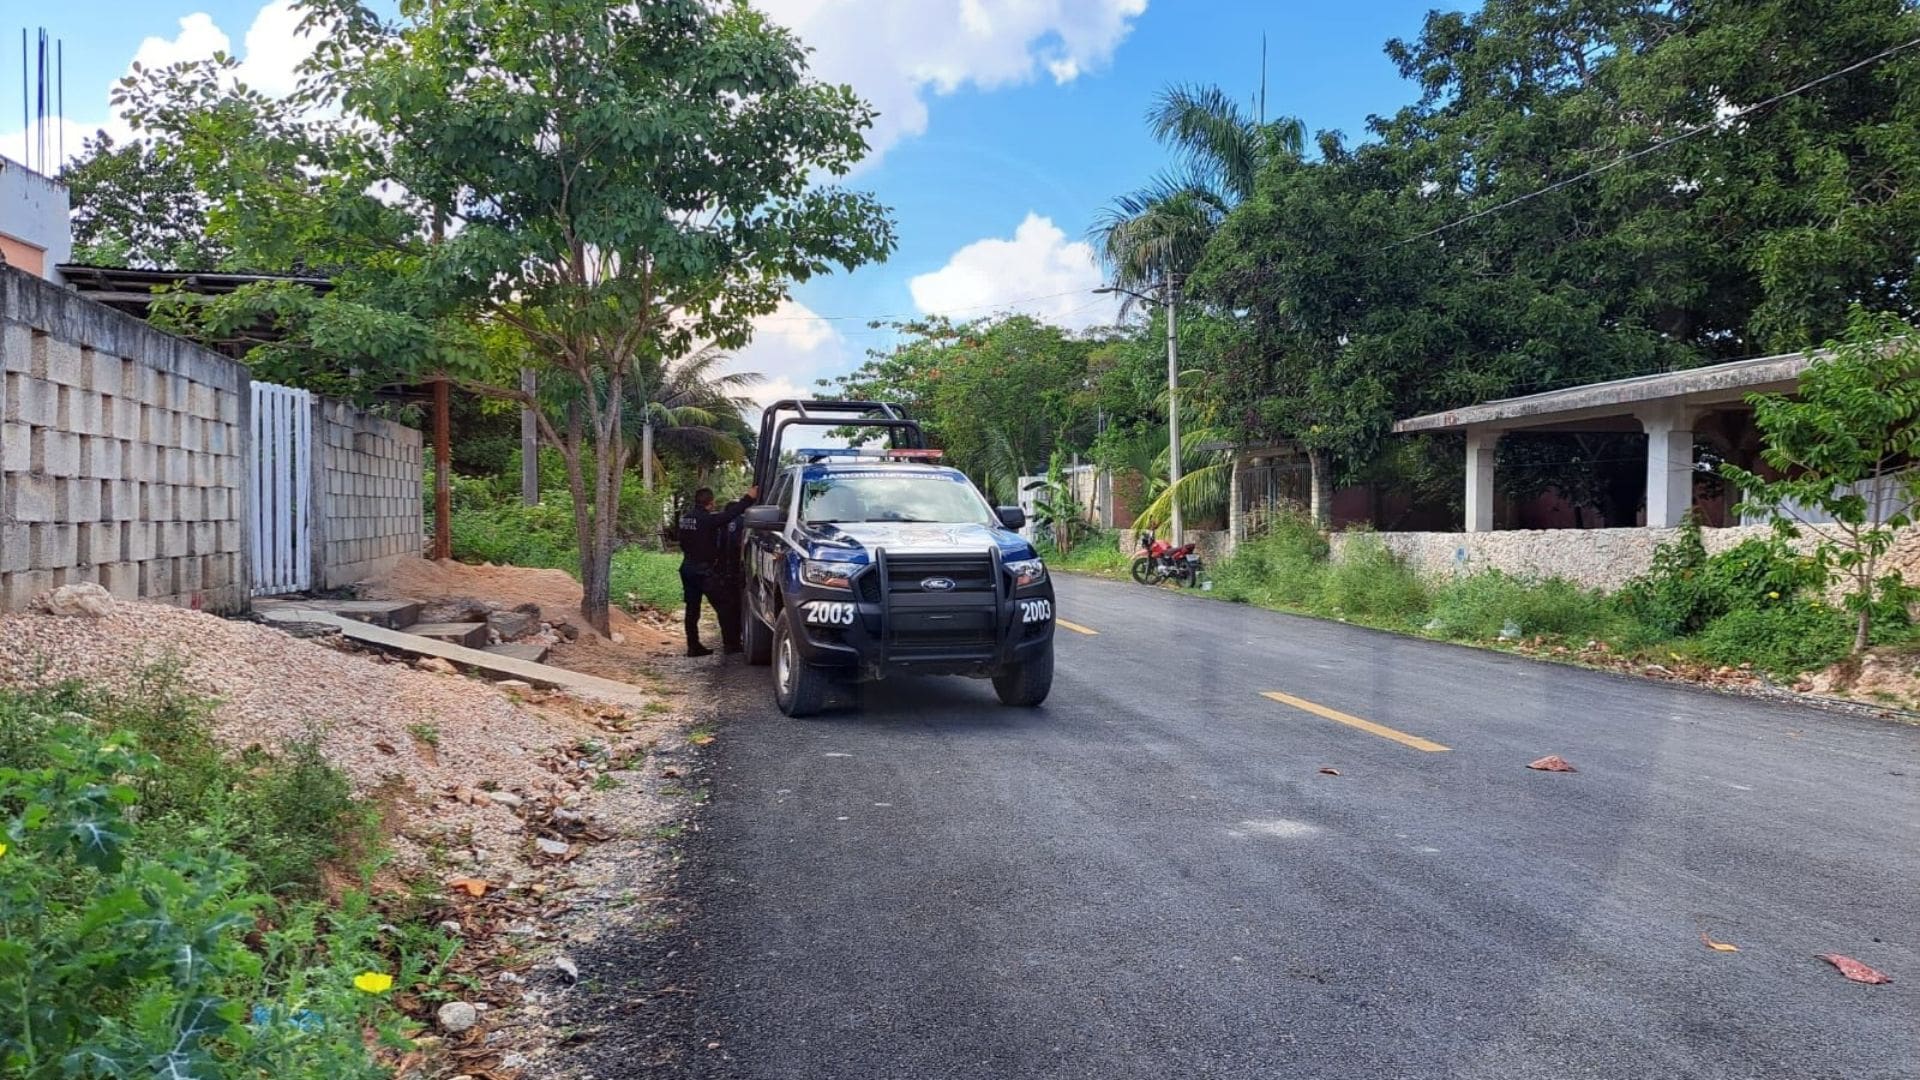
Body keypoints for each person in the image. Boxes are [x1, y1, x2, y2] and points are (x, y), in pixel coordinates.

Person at [677, 484, 758, 656]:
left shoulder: (685, 518)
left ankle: (693, 646)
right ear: (711, 503)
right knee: (725, 604)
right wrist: (749, 498)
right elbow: (730, 514)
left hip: (687, 567)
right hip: (703, 571)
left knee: (692, 609)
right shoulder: (707, 520)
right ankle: (731, 644)